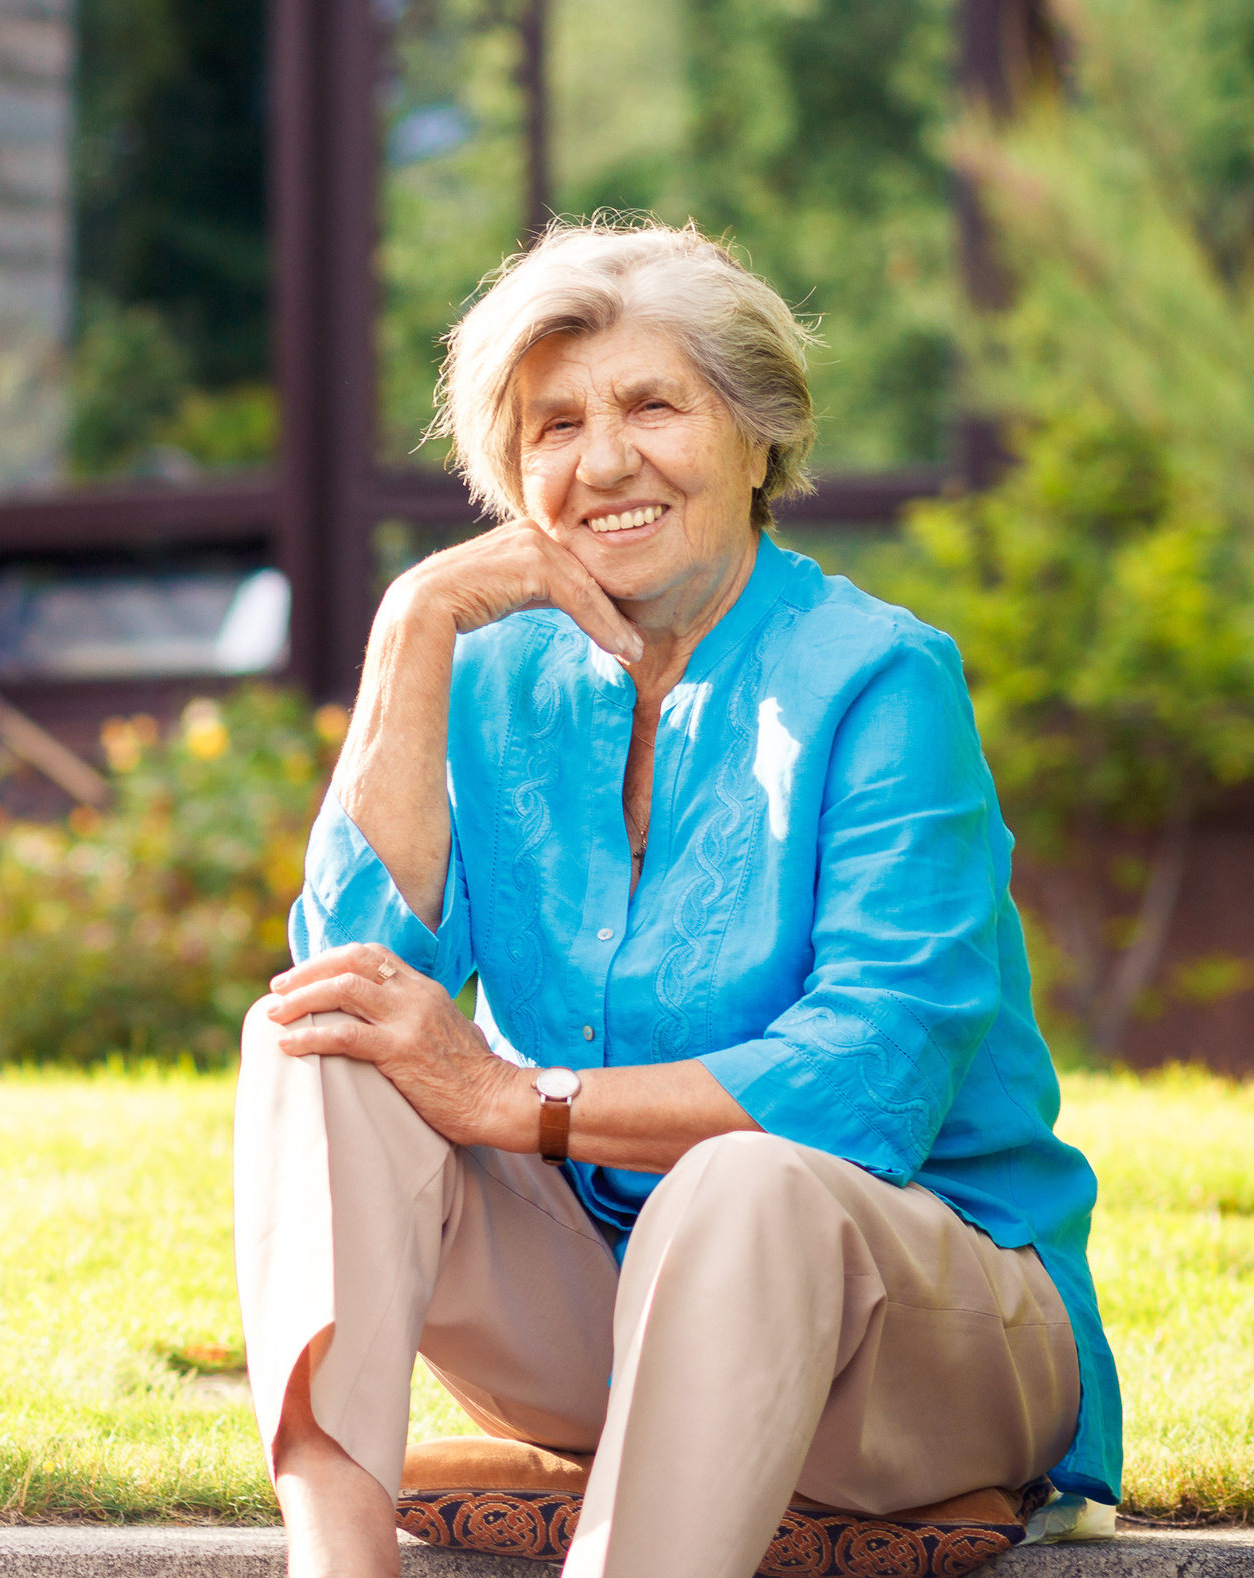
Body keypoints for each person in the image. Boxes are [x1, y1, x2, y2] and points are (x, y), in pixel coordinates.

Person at [234, 219, 1119, 1578]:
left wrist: (513, 1103)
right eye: (555, 424)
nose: (602, 462)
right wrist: (411, 631)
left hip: (916, 1345)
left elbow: (867, 1083)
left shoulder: (881, 680)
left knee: (745, 1180)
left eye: (655, 404)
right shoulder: (493, 677)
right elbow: (359, 969)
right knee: (320, 1034)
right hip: (609, 1316)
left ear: (758, 435)